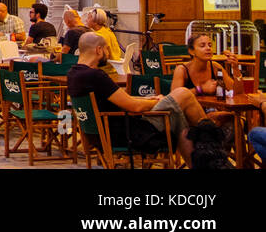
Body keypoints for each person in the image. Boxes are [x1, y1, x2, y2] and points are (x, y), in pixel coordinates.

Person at [67, 31, 210, 165]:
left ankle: (204, 156)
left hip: (101, 135)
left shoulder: (74, 74)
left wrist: (148, 99)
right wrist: (156, 101)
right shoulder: (95, 75)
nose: (108, 53)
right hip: (128, 134)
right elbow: (135, 107)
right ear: (98, 50)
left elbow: (124, 99)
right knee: (183, 94)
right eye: (106, 49)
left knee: (178, 116)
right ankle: (213, 140)